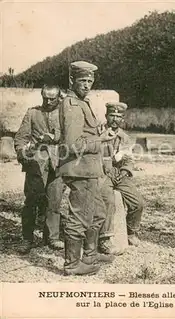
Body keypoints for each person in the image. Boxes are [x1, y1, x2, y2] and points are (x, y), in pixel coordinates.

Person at [58, 61, 117, 276]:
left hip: (90, 170)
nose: (86, 85)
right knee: (80, 217)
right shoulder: (72, 104)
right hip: (79, 170)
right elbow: (73, 145)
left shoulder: (82, 102)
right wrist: (101, 139)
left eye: (90, 81)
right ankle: (72, 264)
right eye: (82, 80)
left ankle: (90, 255)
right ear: (72, 81)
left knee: (98, 213)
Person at [14, 85, 65, 253]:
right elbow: (20, 139)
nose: (48, 101)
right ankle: (27, 239)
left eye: (52, 98)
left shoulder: (64, 114)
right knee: (31, 201)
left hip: (58, 164)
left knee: (54, 201)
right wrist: (24, 155)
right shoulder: (32, 113)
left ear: (59, 97)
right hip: (36, 164)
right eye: (45, 98)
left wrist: (57, 139)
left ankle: (52, 237)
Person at [99, 102, 144, 253]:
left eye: (119, 117)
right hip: (102, 174)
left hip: (119, 174)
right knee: (108, 201)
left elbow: (128, 158)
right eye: (112, 115)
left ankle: (131, 231)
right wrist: (105, 170)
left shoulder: (124, 137)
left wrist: (125, 171)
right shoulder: (98, 133)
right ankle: (104, 239)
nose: (115, 119)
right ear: (106, 116)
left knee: (138, 202)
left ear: (122, 119)